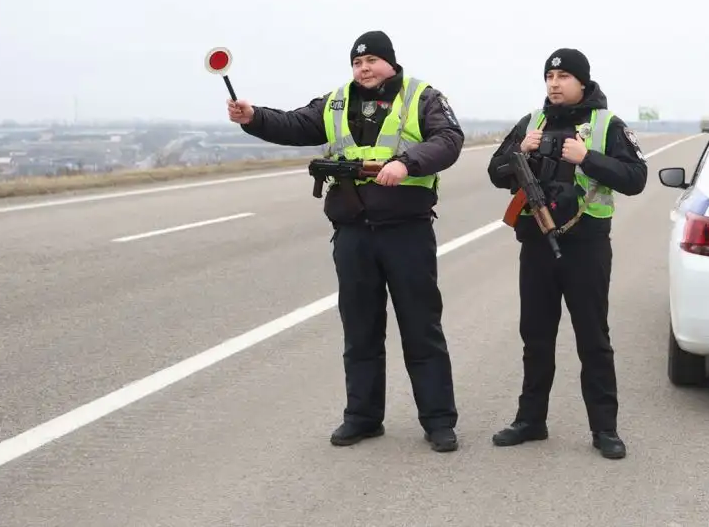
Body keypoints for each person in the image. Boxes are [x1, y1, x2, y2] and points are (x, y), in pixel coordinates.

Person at [226, 30, 465, 453]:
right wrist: (254, 117)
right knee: (360, 331)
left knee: (421, 328)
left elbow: (448, 140)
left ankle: (438, 421)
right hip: (353, 234)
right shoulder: (336, 101)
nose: (364, 68)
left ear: (390, 62)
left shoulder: (422, 97)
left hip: (406, 232)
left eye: (372, 60)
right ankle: (363, 417)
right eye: (357, 62)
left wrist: (406, 164)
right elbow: (296, 123)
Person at [485, 48, 648, 460]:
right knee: (535, 337)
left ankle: (605, 429)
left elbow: (635, 178)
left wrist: (586, 158)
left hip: (586, 247)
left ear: (582, 81)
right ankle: (530, 420)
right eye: (549, 76)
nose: (554, 83)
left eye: (563, 76)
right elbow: (495, 172)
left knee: (593, 339)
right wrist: (519, 149)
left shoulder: (607, 124)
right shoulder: (532, 122)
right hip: (536, 246)